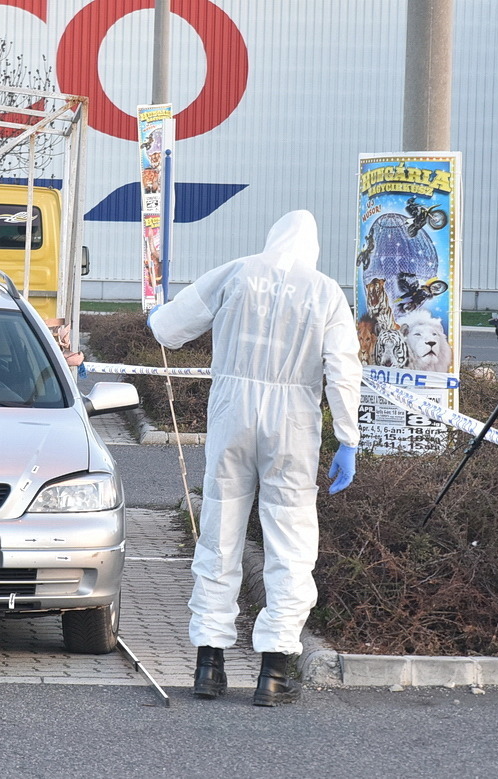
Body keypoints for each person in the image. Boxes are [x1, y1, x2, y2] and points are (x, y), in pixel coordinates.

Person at [148, 210, 362, 706]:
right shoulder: (325, 291)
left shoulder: (238, 271)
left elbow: (169, 329)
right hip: (294, 422)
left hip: (232, 414)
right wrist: (348, 438)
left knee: (220, 532)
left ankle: (209, 664)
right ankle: (274, 671)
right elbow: (343, 369)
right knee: (289, 541)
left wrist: (152, 320)